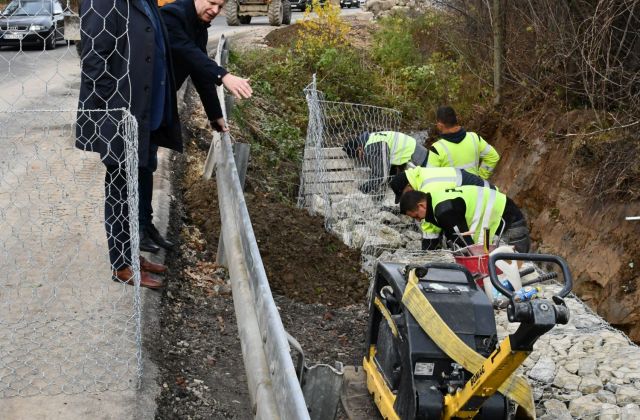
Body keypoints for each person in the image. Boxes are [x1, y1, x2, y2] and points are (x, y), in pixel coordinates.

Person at [76, 0, 182, 289]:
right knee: (120, 190)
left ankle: (132, 255)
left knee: (133, 191)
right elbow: (94, 59)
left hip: (144, 116)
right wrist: (114, 110)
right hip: (122, 115)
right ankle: (121, 265)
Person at [133, 0, 253, 253]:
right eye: (212, 3)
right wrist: (224, 75)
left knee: (147, 165)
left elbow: (198, 71)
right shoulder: (172, 17)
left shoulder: (198, 26)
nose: (215, 10)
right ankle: (137, 229)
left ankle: (146, 225)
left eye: (220, 7)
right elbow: (188, 51)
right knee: (137, 166)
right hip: (140, 104)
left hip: (158, 104)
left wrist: (215, 116)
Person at [398, 187, 530, 253]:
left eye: (416, 216)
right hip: (504, 215)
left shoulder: (444, 211)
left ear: (421, 205)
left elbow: (467, 245)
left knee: (511, 268)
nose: (419, 220)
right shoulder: (436, 198)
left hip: (508, 222)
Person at [342, 131, 428, 194]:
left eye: (358, 155)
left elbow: (381, 176)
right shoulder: (371, 138)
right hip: (411, 147)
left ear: (359, 148)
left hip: (414, 152)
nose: (360, 159)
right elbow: (387, 167)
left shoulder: (372, 147)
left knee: (429, 179)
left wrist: (362, 191)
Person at [427, 106, 500, 180]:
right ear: (456, 119)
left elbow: (430, 178)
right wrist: (481, 178)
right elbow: (493, 156)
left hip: (452, 190)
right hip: (475, 189)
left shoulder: (436, 149)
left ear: (440, 125)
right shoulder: (474, 138)